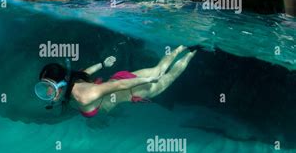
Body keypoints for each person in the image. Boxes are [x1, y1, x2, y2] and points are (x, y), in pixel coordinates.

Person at [34, 45, 197, 117]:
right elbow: (84, 72)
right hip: (122, 80)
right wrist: (103, 64)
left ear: (61, 84)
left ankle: (192, 52)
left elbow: (117, 86)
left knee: (168, 75)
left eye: (49, 86)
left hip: (135, 89)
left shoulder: (83, 96)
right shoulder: (71, 81)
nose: (47, 92)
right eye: (44, 85)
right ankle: (183, 47)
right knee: (159, 68)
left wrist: (147, 79)